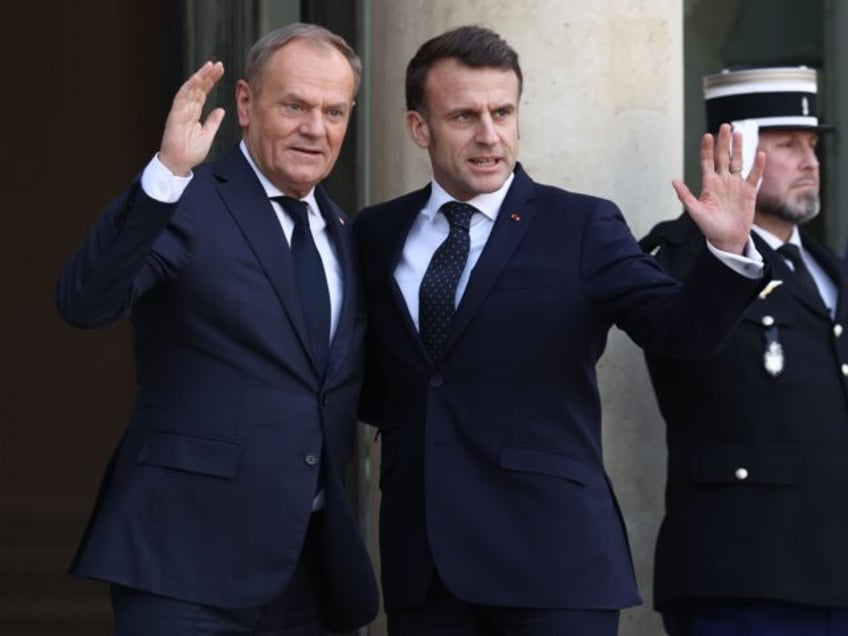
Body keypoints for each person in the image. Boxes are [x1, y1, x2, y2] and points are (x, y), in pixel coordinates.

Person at [353, 25, 768, 635]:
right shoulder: (376, 232)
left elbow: (682, 331)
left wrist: (727, 251)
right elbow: (367, 372)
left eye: (502, 112)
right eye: (464, 116)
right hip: (426, 570)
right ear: (421, 128)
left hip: (552, 566)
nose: (489, 135)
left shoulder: (581, 224)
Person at [56, 23, 378, 634]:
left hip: (306, 573)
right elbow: (85, 301)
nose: (316, 128)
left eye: (333, 111)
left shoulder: (340, 229)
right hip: (184, 565)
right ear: (247, 104)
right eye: (294, 105)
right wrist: (166, 173)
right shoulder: (189, 200)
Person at [641, 66, 848, 636]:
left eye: (813, 145)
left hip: (834, 572)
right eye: (788, 145)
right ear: (738, 154)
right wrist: (724, 243)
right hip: (742, 575)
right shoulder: (679, 255)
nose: (811, 161)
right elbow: (681, 336)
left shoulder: (831, 271)